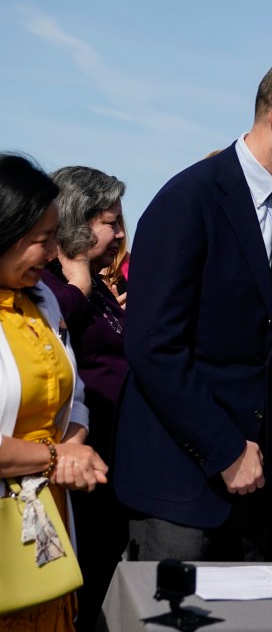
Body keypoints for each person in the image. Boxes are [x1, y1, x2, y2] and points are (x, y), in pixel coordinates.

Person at [114, 55, 272, 562]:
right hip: (179, 488)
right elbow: (153, 345)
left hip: (252, 488)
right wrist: (224, 449)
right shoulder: (189, 200)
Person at [0, 154, 107, 630]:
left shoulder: (41, 298)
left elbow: (73, 395)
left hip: (47, 511)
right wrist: (55, 458)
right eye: (39, 242)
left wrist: (73, 449)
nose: (49, 255)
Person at [40, 165, 129, 632]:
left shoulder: (95, 283)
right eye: (109, 222)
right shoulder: (49, 283)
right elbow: (51, 340)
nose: (119, 233)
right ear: (77, 221)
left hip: (110, 457)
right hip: (75, 464)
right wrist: (76, 285)